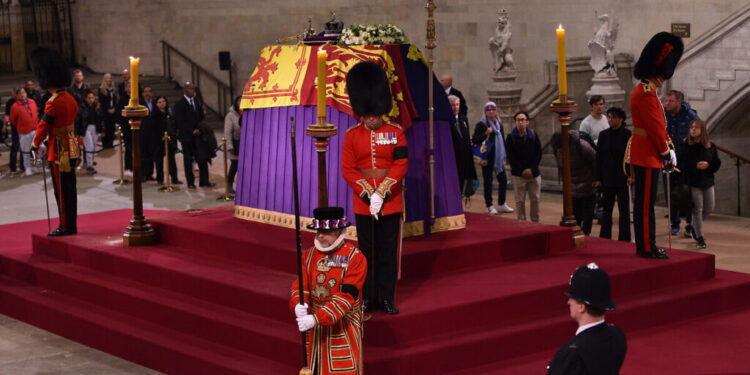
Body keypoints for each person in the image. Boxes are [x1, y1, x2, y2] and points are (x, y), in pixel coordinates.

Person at [341, 61, 408, 315]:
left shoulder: (396, 132)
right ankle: (368, 296)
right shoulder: (351, 136)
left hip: (390, 202)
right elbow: (348, 169)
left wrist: (383, 192)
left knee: (388, 251)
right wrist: (369, 193)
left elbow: (401, 163)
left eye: (375, 114)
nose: (371, 119)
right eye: (367, 115)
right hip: (363, 202)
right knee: (366, 252)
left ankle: (388, 297)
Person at [290, 206, 366, 375]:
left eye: (326, 232)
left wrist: (317, 318)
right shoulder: (308, 255)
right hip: (315, 329)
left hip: (342, 327)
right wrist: (297, 304)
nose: (319, 235)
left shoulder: (355, 258)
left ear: (339, 232)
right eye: (318, 231)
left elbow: (346, 298)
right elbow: (300, 286)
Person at [629, 31, 683, 259]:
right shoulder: (647, 94)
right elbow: (653, 129)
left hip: (646, 154)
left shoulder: (645, 91)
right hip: (647, 155)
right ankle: (647, 247)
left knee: (646, 204)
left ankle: (646, 245)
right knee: (645, 206)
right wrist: (665, 151)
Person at [29, 47, 80, 236]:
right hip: (72, 146)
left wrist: (35, 144)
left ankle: (66, 225)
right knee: (70, 189)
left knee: (61, 191)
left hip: (58, 150)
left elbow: (43, 126)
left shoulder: (54, 101)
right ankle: (71, 224)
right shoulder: (70, 98)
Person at [547, 263, 627, 375]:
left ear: (581, 307)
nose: (568, 302)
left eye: (571, 298)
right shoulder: (618, 336)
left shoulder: (572, 354)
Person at [677, 120, 721, 249]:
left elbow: (717, 163)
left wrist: (708, 165)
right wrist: (695, 165)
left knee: (709, 208)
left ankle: (692, 227)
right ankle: (700, 238)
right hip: (693, 181)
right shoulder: (686, 145)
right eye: (691, 127)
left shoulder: (710, 146)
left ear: (702, 130)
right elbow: (681, 162)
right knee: (698, 209)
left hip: (707, 181)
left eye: (696, 127)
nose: (693, 130)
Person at [664, 89, 699, 236]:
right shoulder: (663, 115)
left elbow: (698, 135)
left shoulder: (690, 115)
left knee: (689, 192)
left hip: (686, 160)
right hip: (668, 159)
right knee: (670, 192)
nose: (667, 104)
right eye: (666, 101)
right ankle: (674, 223)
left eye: (670, 101)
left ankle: (691, 224)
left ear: (679, 101)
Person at [595, 107, 632, 241]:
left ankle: (624, 238)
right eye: (609, 117)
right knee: (606, 210)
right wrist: (598, 178)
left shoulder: (628, 135)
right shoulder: (603, 135)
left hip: (623, 178)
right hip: (607, 178)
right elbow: (599, 157)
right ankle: (605, 237)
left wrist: (631, 175)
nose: (610, 120)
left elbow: (631, 157)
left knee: (624, 211)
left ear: (621, 119)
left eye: (613, 117)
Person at [552, 129, 597, 235]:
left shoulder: (582, 146)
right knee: (575, 215)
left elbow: (595, 161)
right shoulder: (557, 149)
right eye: (559, 149)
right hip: (571, 187)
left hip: (587, 184)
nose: (561, 151)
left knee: (587, 216)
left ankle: (586, 236)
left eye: (562, 148)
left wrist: (596, 179)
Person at [472, 101, 513, 214]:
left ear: (496, 111)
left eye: (493, 110)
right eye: (488, 110)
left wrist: (507, 156)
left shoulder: (499, 124)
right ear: (485, 112)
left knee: (503, 180)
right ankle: (489, 206)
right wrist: (486, 133)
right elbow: (475, 139)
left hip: (499, 158)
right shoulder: (482, 124)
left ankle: (501, 203)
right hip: (488, 158)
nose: (491, 112)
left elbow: (502, 140)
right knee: (488, 182)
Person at [174, 82, 214, 188]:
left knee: (202, 158)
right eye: (190, 88)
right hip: (187, 137)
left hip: (199, 135)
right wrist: (192, 130)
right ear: (185, 90)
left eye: (193, 88)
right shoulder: (179, 104)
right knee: (188, 160)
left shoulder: (197, 101)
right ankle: (190, 182)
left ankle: (204, 181)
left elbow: (201, 117)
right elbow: (180, 121)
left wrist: (200, 128)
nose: (192, 90)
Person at [506, 111, 542, 222]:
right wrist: (522, 170)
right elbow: (511, 156)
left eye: (523, 120)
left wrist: (531, 169)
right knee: (520, 200)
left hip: (533, 173)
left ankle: (535, 221)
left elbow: (538, 153)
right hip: (519, 174)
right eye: (518, 120)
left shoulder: (533, 135)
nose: (520, 122)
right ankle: (521, 222)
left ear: (527, 122)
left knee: (535, 199)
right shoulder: (511, 138)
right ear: (515, 122)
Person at [448, 95, 477, 201]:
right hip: (452, 161)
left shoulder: (463, 119)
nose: (455, 107)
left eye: (457, 105)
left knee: (462, 189)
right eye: (453, 105)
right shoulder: (445, 121)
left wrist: (471, 169)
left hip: (464, 161)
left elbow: (467, 143)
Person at [9, 88, 39, 176]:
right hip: (24, 132)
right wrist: (21, 125)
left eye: (24, 93)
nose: (22, 95)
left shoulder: (32, 102)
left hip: (35, 130)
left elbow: (36, 113)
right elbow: (13, 120)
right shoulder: (15, 106)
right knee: (25, 152)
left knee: (37, 150)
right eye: (20, 93)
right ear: (17, 95)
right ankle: (28, 168)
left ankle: (39, 166)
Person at [152, 95, 181, 185]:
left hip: (170, 140)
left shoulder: (169, 112)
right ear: (156, 104)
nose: (162, 104)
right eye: (159, 102)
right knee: (159, 161)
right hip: (159, 141)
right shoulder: (155, 114)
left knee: (171, 160)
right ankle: (160, 179)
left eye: (163, 101)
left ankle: (174, 178)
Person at [74, 89, 103, 175]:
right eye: (89, 98)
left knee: (94, 146)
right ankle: (89, 166)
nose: (91, 99)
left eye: (92, 97)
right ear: (85, 98)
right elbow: (78, 120)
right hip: (85, 129)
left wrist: (102, 129)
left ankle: (90, 161)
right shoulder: (82, 107)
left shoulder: (97, 105)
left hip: (95, 128)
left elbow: (101, 118)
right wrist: (77, 132)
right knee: (89, 147)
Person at [224, 95, 242, 194]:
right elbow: (227, 132)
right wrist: (229, 146)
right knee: (234, 165)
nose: (241, 103)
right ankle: (229, 183)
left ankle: (242, 185)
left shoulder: (246, 113)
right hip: (235, 145)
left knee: (243, 167)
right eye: (239, 101)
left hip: (245, 145)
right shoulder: (230, 116)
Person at [139, 86, 158, 181]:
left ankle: (150, 174)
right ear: (142, 94)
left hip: (153, 133)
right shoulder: (139, 103)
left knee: (152, 154)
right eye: (145, 92)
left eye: (149, 92)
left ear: (152, 93)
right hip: (143, 132)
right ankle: (142, 174)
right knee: (143, 155)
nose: (147, 93)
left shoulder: (155, 103)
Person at [116, 84, 133, 177]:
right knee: (129, 148)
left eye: (131, 86)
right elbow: (120, 114)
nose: (130, 88)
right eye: (128, 86)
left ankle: (136, 167)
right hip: (127, 128)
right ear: (126, 88)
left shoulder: (137, 98)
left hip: (137, 128)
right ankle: (127, 168)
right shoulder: (122, 100)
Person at [99, 73, 118, 149]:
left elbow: (116, 101)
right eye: (107, 78)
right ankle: (105, 144)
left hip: (113, 112)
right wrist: (108, 109)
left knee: (112, 128)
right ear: (104, 80)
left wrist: (114, 109)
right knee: (106, 128)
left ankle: (110, 143)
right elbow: (102, 102)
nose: (109, 80)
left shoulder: (114, 89)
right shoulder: (101, 90)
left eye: (110, 78)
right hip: (105, 112)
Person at [4, 88, 20, 173]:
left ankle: (23, 166)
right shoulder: (10, 102)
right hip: (15, 127)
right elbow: (7, 115)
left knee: (24, 147)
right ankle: (12, 167)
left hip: (23, 127)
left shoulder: (22, 101)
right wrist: (4, 125)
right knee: (15, 146)